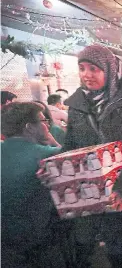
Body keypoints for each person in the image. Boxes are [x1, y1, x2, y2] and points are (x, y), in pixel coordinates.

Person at [63, 45, 122, 267]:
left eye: (93, 69)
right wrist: (56, 167)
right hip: (89, 191)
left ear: (109, 70)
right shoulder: (77, 105)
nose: (86, 75)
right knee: (90, 247)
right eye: (82, 68)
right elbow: (71, 146)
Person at [1, 102, 67, 267]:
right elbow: (73, 165)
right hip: (40, 239)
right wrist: (52, 140)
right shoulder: (48, 155)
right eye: (44, 121)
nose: (47, 125)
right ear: (29, 127)